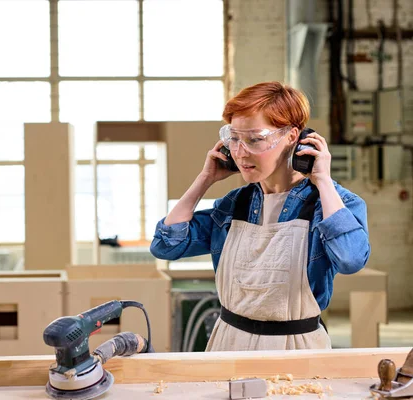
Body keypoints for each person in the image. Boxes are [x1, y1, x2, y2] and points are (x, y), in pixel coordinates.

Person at [150, 81, 370, 351]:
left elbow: (351, 260)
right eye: (233, 139)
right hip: (227, 344)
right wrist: (204, 179)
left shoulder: (334, 203)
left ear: (292, 136)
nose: (240, 153)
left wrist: (322, 179)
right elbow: (166, 246)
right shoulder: (234, 205)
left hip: (296, 349)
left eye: (255, 139)